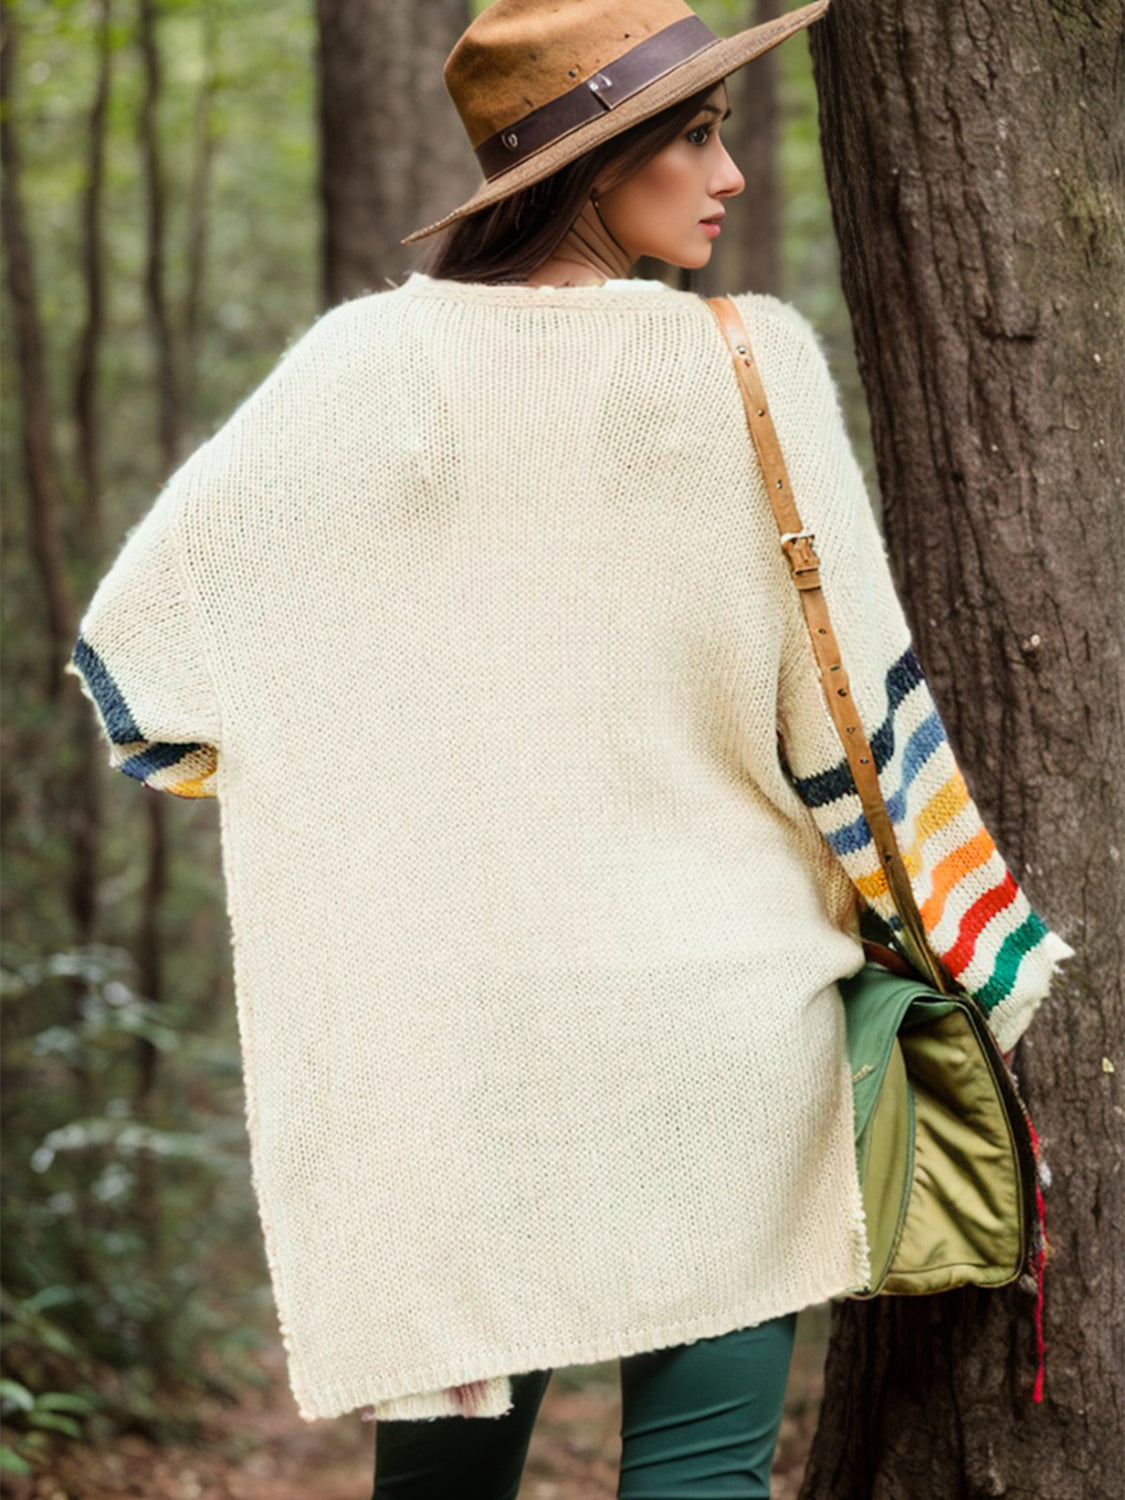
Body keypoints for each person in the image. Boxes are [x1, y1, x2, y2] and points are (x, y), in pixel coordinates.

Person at [68, 1, 1074, 1496]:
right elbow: (852, 724)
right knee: (703, 1479)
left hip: (463, 1050)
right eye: (693, 137)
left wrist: (381, 761)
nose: (727, 172)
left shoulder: (359, 369)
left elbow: (141, 673)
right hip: (724, 1027)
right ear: (592, 166)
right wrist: (982, 957)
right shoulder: (749, 365)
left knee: (444, 1492)